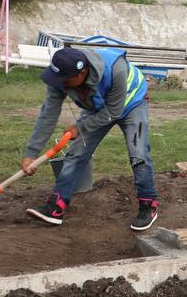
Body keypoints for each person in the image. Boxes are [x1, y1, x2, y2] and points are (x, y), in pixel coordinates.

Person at [22, 46, 158, 230]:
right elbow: (48, 115)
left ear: (82, 72)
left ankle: (148, 205)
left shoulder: (115, 68)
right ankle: (56, 206)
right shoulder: (60, 77)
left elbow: (114, 111)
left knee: (138, 154)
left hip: (132, 103)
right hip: (99, 107)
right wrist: (31, 153)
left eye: (65, 81)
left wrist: (81, 127)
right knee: (76, 153)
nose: (60, 84)